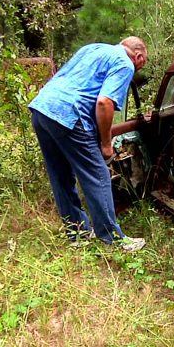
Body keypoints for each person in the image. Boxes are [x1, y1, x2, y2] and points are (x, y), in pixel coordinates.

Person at [28, 36, 148, 251]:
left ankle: (78, 234)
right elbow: (104, 102)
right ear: (138, 56)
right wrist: (105, 143)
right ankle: (113, 238)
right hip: (69, 114)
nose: (138, 69)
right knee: (98, 174)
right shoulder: (124, 63)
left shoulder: (92, 48)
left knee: (60, 175)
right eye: (142, 64)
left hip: (42, 108)